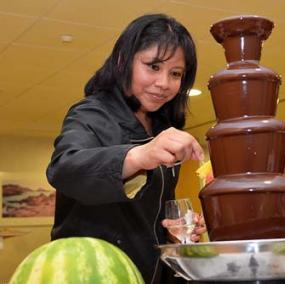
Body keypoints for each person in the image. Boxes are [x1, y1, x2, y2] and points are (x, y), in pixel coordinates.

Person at [46, 14, 206, 284]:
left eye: (175, 74)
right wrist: (139, 155)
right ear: (123, 60)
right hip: (91, 274)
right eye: (153, 66)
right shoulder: (91, 113)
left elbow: (148, 218)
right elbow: (64, 169)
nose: (164, 83)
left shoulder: (160, 126)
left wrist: (173, 231)